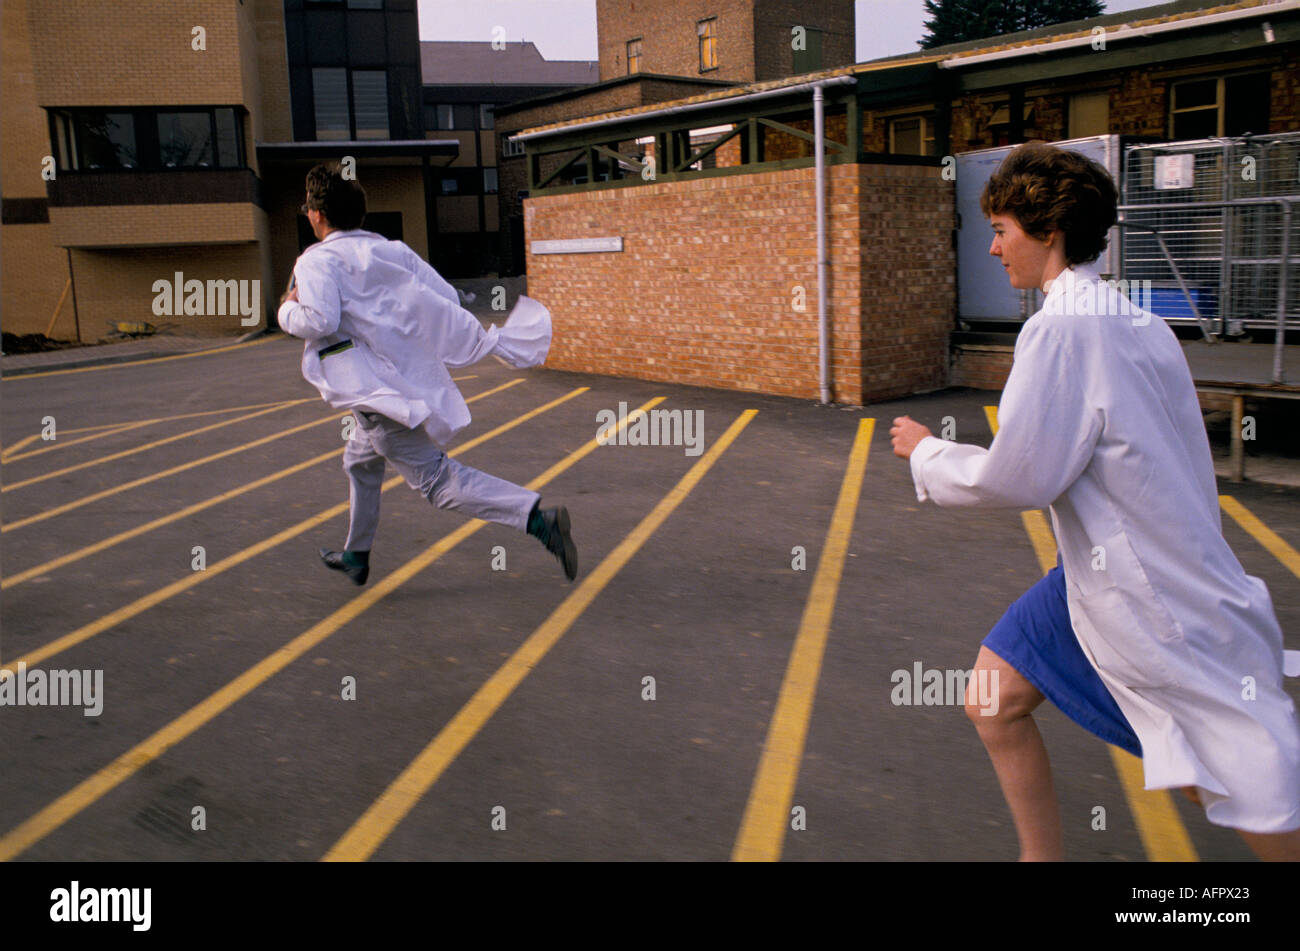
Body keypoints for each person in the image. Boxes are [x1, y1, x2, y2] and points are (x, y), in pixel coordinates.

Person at [889, 142, 1300, 861]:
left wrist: (926, 449)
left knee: (1225, 767)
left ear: (1047, 232)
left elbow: (1021, 474)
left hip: (1142, 586)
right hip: (1105, 571)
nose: (992, 248)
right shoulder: (1138, 321)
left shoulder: (1061, 329)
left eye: (1003, 230)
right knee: (992, 697)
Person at [277, 162, 576, 585]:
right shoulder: (391, 250)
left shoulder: (315, 262)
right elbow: (448, 296)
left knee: (437, 482)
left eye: (307, 207)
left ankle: (535, 517)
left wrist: (287, 308)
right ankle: (356, 554)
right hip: (397, 384)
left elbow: (320, 320)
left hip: (376, 396)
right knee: (360, 462)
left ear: (316, 215)